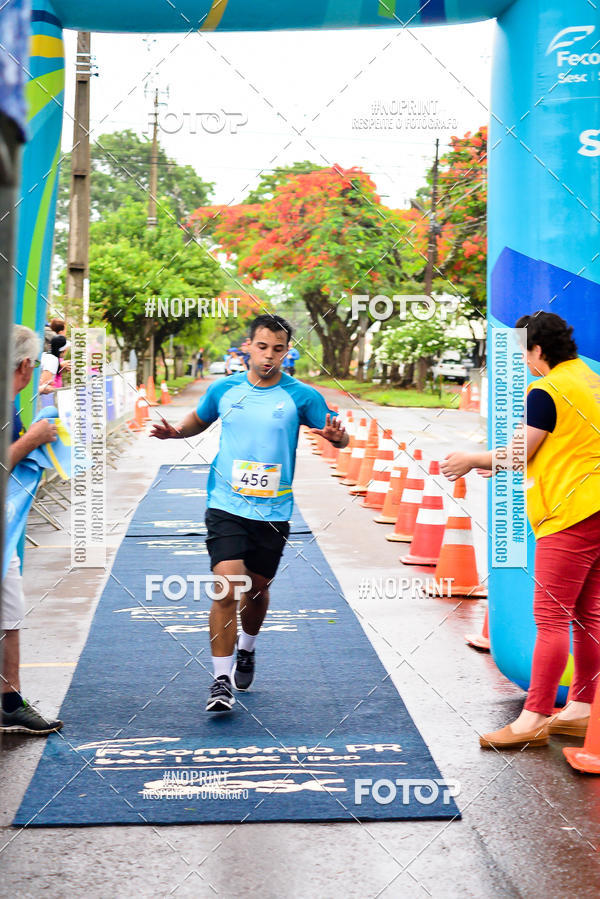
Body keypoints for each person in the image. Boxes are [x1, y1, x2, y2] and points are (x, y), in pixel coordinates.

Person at [151, 313, 348, 712]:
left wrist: (338, 437)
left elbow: (337, 435)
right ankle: (220, 680)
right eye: (262, 347)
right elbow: (197, 421)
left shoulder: (301, 396)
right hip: (225, 503)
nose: (269, 356)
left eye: (278, 349)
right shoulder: (224, 389)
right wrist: (176, 432)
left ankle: (247, 648)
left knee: (256, 591)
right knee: (227, 586)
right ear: (248, 347)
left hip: (274, 509)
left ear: (287, 352)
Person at [442, 312, 600, 750]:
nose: (524, 361)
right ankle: (584, 708)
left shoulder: (546, 389)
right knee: (589, 618)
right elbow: (567, 445)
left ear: (538, 351)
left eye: (523, 352)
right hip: (596, 511)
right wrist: (503, 461)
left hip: (568, 515)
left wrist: (474, 459)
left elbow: (521, 451)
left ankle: (533, 717)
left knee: (551, 619)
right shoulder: (590, 379)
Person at [1, 325, 63, 734]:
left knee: (10, 615)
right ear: (25, 365)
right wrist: (31, 440)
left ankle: (9, 700)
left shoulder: (12, 404)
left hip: (5, 534)